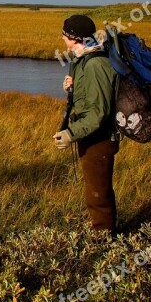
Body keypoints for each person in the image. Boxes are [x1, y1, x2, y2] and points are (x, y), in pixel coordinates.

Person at [53, 15, 119, 234]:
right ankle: (100, 228)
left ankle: (104, 239)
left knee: (98, 192)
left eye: (64, 33)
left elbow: (98, 113)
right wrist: (71, 88)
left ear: (73, 37)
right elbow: (88, 98)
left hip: (99, 137)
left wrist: (71, 134)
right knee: (95, 187)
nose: (61, 37)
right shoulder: (82, 59)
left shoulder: (95, 64)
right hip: (91, 135)